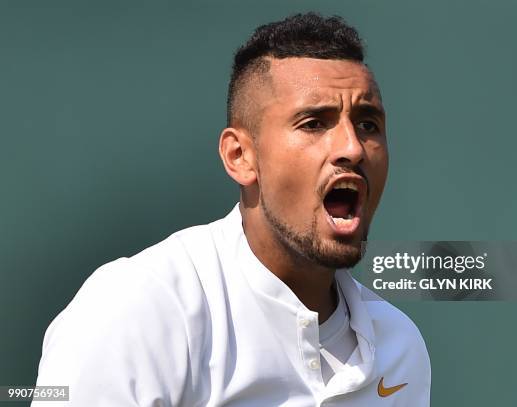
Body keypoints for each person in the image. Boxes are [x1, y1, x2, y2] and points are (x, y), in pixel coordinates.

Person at [33, 12, 431, 406]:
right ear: (240, 156)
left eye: (367, 125)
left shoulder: (400, 347)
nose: (352, 148)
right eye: (313, 123)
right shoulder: (141, 309)